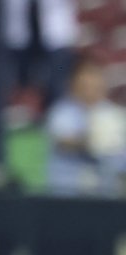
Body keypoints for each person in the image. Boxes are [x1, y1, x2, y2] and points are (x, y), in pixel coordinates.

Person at [44, 55, 126, 196]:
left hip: (106, 194)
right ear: (74, 82)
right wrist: (93, 140)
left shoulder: (113, 113)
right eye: (85, 77)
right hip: (67, 194)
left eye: (95, 76)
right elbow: (64, 141)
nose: (90, 83)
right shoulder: (62, 112)